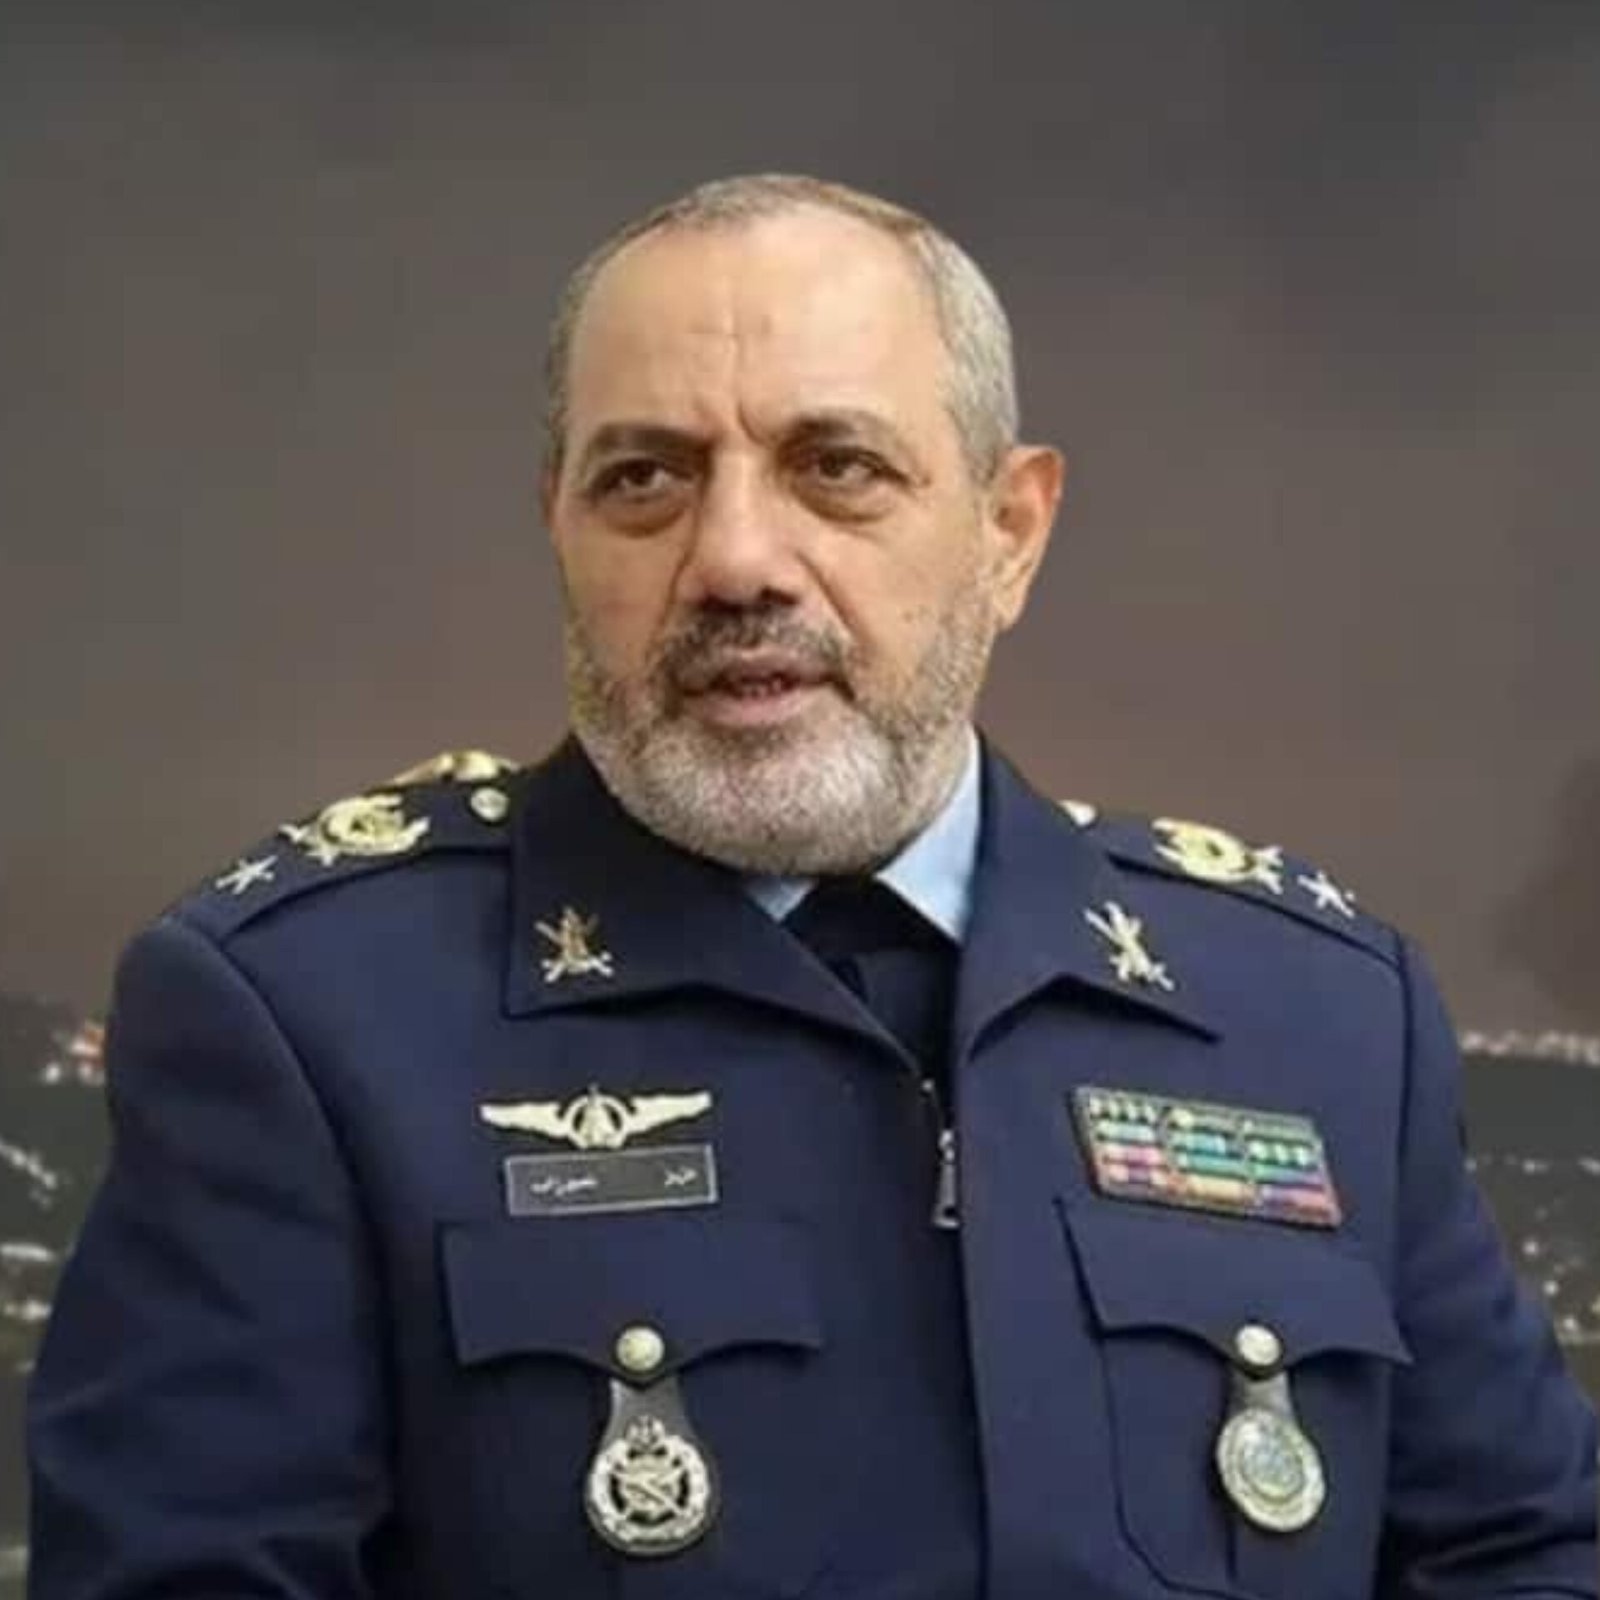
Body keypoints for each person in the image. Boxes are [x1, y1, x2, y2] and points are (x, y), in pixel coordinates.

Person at [27, 173, 1597, 1600]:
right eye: (645, 478)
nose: (734, 560)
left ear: (1009, 532)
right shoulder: (312, 1017)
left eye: (836, 468)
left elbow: (1527, 1555)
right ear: (558, 524)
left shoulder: (1317, 1017)